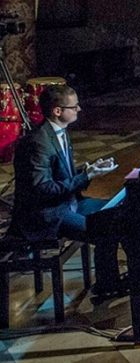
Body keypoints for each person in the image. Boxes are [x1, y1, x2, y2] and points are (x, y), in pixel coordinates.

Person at [10, 84, 128, 299]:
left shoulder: (58, 132)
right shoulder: (39, 142)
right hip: (48, 213)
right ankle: (107, 286)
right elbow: (43, 189)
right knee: (106, 229)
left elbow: (61, 177)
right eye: (74, 107)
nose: (79, 109)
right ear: (57, 111)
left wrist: (89, 170)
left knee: (121, 212)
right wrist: (86, 177)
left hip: (68, 202)